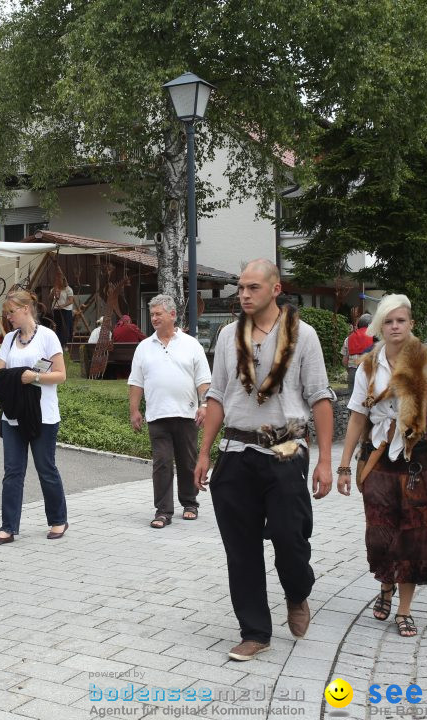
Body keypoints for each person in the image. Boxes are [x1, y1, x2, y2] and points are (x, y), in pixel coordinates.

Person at [194, 259, 335, 662]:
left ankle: (297, 591)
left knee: (291, 538)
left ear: (275, 289)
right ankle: (255, 631)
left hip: (286, 446)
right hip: (236, 450)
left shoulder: (302, 335)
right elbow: (218, 396)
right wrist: (204, 452)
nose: (244, 294)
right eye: (241, 287)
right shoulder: (226, 336)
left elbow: (321, 397)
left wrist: (326, 461)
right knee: (241, 549)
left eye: (253, 287)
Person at [336, 294, 427, 639]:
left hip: (416, 459)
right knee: (380, 534)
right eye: (389, 321)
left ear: (411, 324)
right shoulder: (369, 366)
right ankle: (385, 584)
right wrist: (344, 466)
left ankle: (404, 609)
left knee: (415, 538)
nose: (395, 327)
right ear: (380, 326)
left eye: (401, 320)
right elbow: (358, 415)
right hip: (377, 457)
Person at [0, 289, 69, 546]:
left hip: (43, 415)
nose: (9, 317)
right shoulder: (10, 339)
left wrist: (32, 377)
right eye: (6, 313)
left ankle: (58, 519)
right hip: (13, 415)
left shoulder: (47, 337)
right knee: (12, 471)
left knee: (46, 468)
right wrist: (16, 377)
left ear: (26, 309)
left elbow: (60, 375)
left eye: (11, 312)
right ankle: (8, 527)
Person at [128, 295, 211, 528]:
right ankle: (163, 511)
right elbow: (136, 382)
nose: (153, 318)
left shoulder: (191, 345)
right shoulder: (144, 347)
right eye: (152, 314)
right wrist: (134, 410)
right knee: (162, 462)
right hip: (157, 415)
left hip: (187, 415)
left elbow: (204, 381)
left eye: (158, 314)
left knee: (187, 461)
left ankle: (190, 503)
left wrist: (204, 405)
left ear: (172, 315)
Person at [341, 313, 374, 390]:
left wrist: (350, 371)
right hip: (368, 373)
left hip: (353, 372)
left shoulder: (348, 339)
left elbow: (344, 361)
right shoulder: (374, 338)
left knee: (352, 399)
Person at [50, 274, 75, 346]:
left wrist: (62, 306)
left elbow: (71, 301)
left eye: (60, 280)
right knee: (57, 326)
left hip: (66, 310)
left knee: (66, 326)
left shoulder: (68, 289)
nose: (58, 282)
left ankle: (66, 343)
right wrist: (53, 292)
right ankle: (58, 342)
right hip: (56, 310)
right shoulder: (54, 289)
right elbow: (50, 299)